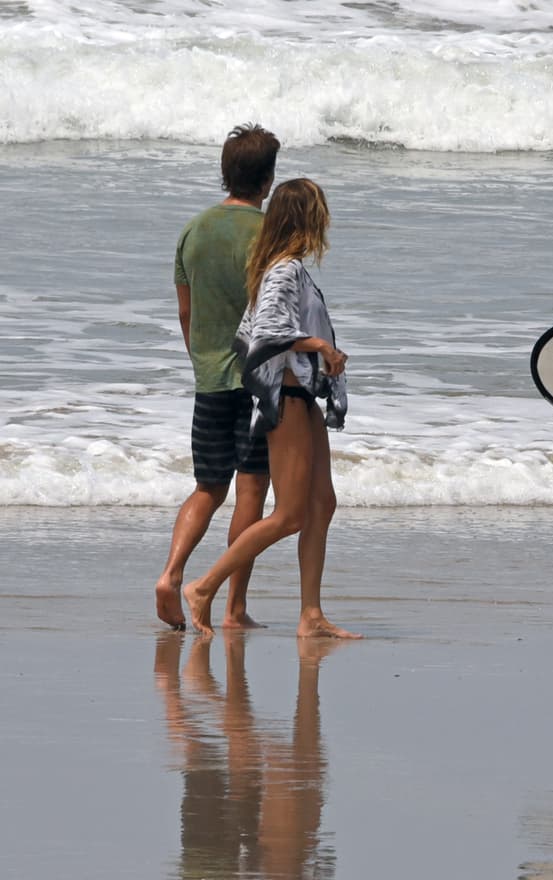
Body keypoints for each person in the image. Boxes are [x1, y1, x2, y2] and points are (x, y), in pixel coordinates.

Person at [182, 178, 360, 640]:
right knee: (289, 515)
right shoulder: (284, 270)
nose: (326, 220)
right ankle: (204, 587)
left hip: (303, 395)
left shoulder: (286, 268)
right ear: (307, 218)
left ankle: (311, 614)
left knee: (323, 503)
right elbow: (264, 335)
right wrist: (319, 344)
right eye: (321, 211)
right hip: (287, 398)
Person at [156, 123, 280, 631]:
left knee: (208, 486)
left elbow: (186, 313)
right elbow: (277, 312)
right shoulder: (269, 233)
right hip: (257, 378)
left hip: (209, 375)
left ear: (224, 173)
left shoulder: (193, 230)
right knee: (252, 490)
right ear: (268, 180)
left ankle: (170, 574)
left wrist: (202, 359)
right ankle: (233, 608)